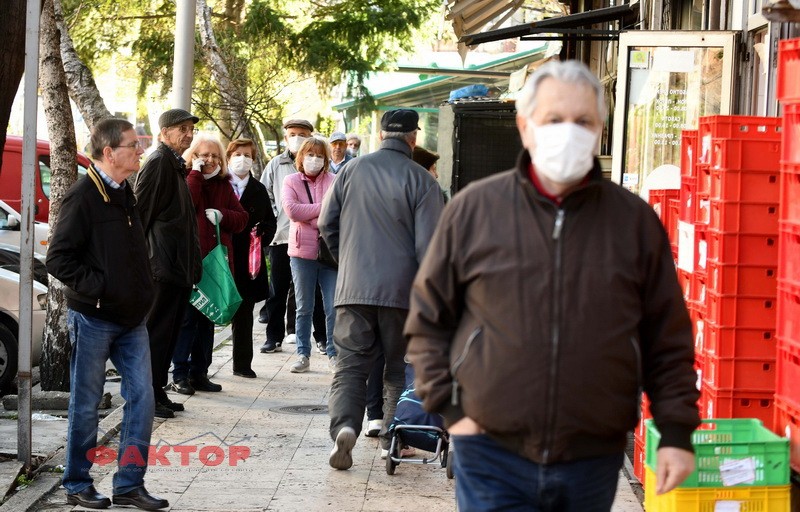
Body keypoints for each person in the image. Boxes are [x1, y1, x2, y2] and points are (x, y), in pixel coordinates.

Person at [404, 60, 700, 511]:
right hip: (490, 450)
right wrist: (451, 410)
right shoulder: (475, 210)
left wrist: (676, 431)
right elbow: (428, 317)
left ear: (600, 130)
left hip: (592, 455)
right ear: (525, 127)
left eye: (583, 121)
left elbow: (667, 337)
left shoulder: (633, 222)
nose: (568, 132)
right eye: (553, 119)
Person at [47, 118, 169, 511]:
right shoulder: (82, 196)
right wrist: (100, 287)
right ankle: (77, 482)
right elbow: (58, 259)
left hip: (132, 319)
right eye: (132, 145)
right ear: (109, 153)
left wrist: (141, 288)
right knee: (86, 405)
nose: (139, 150)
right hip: (94, 318)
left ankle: (129, 485)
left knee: (143, 399)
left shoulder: (125, 192)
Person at [318, 109, 445, 470]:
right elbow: (431, 248)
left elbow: (326, 223)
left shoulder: (350, 171)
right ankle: (394, 438)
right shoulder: (423, 181)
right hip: (402, 294)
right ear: (413, 138)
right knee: (397, 369)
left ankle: (345, 428)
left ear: (381, 134)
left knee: (350, 367)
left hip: (353, 288)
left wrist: (348, 262)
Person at [134, 108, 202, 419]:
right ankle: (146, 396)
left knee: (169, 334)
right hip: (161, 267)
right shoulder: (159, 162)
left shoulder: (175, 164)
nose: (188, 134)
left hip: (177, 267)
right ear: (164, 133)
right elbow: (141, 214)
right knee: (156, 334)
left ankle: (157, 390)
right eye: (181, 129)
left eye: (190, 129)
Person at [171, 136, 248, 393]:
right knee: (187, 321)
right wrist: (195, 173)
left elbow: (242, 219)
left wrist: (222, 216)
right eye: (204, 155)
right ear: (194, 156)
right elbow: (186, 204)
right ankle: (179, 374)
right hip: (189, 264)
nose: (210, 160)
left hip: (214, 265)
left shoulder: (223, 185)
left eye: (215, 155)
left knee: (207, 320)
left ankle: (200, 372)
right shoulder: (185, 178)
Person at [282, 137, 338, 373]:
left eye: (319, 156)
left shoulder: (334, 180)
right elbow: (292, 211)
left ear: (325, 160)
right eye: (310, 154)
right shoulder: (291, 180)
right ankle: (303, 354)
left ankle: (334, 353)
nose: (314, 159)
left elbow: (338, 211)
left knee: (333, 306)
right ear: (301, 157)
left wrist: (311, 217)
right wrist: (322, 211)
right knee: (304, 306)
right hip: (301, 253)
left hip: (330, 253)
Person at [259, 119, 314, 353]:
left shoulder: (317, 162)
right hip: (281, 235)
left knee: (310, 291)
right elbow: (265, 194)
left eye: (302, 134)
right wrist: (275, 218)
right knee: (278, 289)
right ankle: (273, 337)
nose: (297, 138)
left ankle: (314, 336)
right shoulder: (276, 164)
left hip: (311, 236)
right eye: (292, 134)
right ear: (285, 138)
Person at [227, 138, 276, 378]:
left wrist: (260, 237)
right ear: (229, 157)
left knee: (244, 313)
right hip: (221, 257)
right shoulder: (219, 185)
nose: (242, 159)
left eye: (247, 155)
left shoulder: (258, 190)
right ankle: (198, 369)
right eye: (237, 154)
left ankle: (242, 364)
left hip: (248, 260)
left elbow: (270, 222)